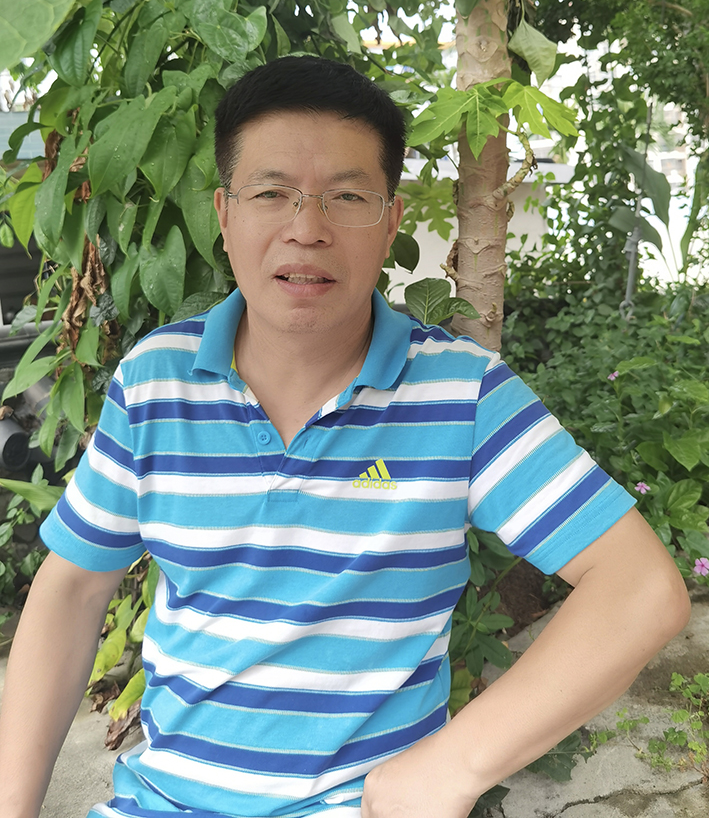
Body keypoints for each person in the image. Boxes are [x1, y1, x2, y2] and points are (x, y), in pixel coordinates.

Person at [0, 56, 690, 818]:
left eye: (347, 197)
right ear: (225, 215)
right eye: (271, 194)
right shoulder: (155, 382)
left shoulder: (460, 394)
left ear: (390, 222)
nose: (307, 230)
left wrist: (452, 767)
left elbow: (637, 588)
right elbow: (71, 589)